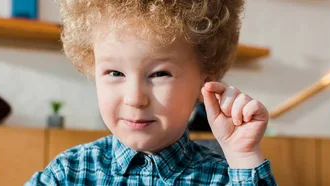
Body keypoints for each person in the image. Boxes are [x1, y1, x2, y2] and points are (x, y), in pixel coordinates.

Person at [25, 0, 277, 185]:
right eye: (115, 73)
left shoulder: (224, 177)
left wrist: (243, 156)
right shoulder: (69, 173)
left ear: (204, 84)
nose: (135, 98)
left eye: (159, 74)